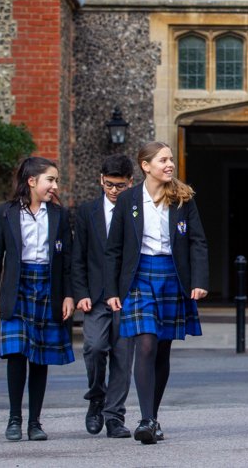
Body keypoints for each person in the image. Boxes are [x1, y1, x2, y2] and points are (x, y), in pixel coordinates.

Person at [105, 142, 209, 444]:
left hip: (172, 276)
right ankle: (147, 420)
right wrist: (112, 290)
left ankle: (153, 415)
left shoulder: (183, 198)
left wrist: (198, 280)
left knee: (162, 348)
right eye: (163, 160)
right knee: (146, 345)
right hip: (138, 278)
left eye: (171, 160)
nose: (170, 165)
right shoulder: (127, 201)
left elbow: (198, 242)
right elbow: (113, 249)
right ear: (145, 165)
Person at [0, 156, 75, 441]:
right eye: (50, 179)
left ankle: (35, 422)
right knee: (17, 354)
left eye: (56, 180)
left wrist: (69, 294)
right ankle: (14, 419)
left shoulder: (60, 215)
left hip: (49, 288)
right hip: (17, 289)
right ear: (31, 181)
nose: (55, 185)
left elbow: (68, 260)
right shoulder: (5, 213)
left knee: (40, 358)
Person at [72, 154, 135, 438]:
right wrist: (80, 293)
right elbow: (78, 256)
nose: (112, 191)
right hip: (96, 296)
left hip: (127, 295)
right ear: (100, 180)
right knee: (94, 348)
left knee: (122, 357)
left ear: (130, 183)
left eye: (119, 186)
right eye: (108, 184)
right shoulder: (87, 211)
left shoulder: (137, 210)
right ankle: (96, 398)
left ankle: (114, 417)